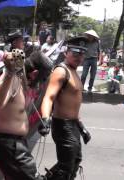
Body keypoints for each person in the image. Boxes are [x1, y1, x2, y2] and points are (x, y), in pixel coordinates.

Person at [0, 33, 51, 179]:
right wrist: (10, 73)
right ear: (35, 73)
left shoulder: (24, 81)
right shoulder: (12, 79)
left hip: (15, 144)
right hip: (8, 145)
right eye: (42, 79)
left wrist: (46, 119)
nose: (41, 83)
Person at [40, 36, 91, 180]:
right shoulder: (61, 71)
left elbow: (74, 104)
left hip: (73, 125)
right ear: (65, 53)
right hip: (62, 126)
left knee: (75, 161)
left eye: (81, 54)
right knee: (65, 168)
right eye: (75, 53)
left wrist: (81, 127)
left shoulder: (74, 71)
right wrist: (45, 119)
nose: (79, 57)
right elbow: (49, 97)